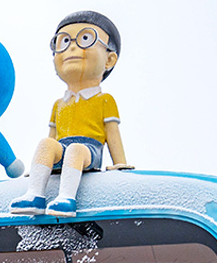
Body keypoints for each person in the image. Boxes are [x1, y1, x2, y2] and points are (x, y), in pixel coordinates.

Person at [10, 11, 132, 218]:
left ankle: (67, 198)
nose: (72, 47)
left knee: (76, 149)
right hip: (62, 148)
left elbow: (112, 133)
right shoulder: (59, 104)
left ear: (109, 59)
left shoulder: (104, 100)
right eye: (64, 41)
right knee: (46, 144)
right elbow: (52, 137)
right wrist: (42, 164)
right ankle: (35, 193)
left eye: (85, 39)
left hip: (89, 150)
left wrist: (119, 164)